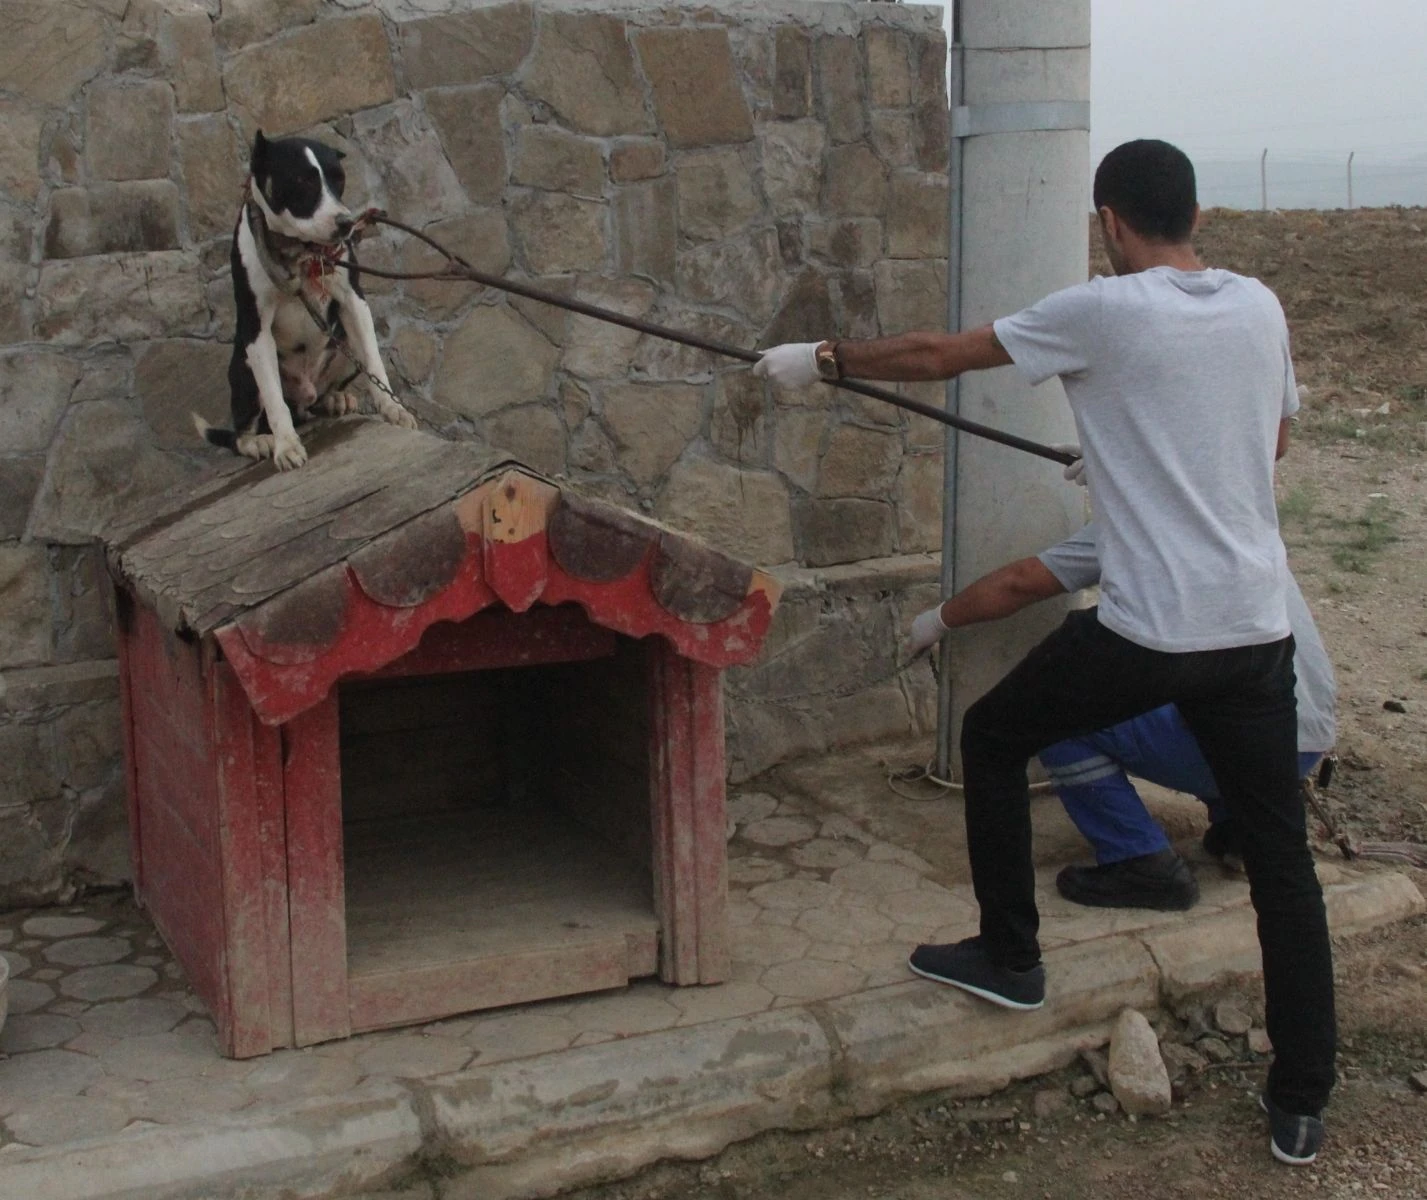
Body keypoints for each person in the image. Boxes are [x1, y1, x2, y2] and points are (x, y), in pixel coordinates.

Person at [753, 139, 1335, 1166]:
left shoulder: (1102, 310)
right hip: (1253, 635)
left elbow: (943, 357)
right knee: (1282, 867)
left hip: (1151, 631)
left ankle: (1009, 957)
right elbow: (1263, 444)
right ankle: (1300, 1101)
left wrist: (822, 362)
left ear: (1109, 220)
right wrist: (1121, 449)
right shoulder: (1256, 304)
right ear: (1191, 213)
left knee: (990, 734)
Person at [903, 521, 1336, 912]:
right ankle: (1239, 827)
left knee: (1053, 713)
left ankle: (1139, 859)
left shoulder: (1134, 519)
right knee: (1208, 686)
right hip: (1295, 742)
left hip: (1229, 745)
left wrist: (938, 620)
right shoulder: (1242, 515)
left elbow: (1020, 583)